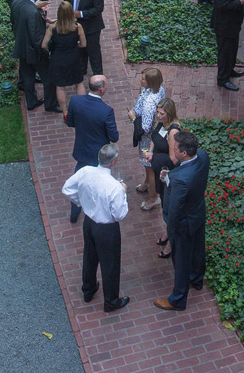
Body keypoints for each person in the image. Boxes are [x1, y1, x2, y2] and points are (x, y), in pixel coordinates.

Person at [62, 143, 129, 313]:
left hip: (89, 222)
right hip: (107, 229)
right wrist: (124, 193)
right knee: (110, 264)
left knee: (89, 257)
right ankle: (111, 300)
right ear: (113, 162)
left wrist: (81, 202)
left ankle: (88, 289)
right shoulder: (115, 187)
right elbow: (120, 215)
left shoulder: (85, 172)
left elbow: (67, 189)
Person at [154, 130, 210, 311]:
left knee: (181, 259)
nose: (174, 150)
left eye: (176, 148)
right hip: (198, 212)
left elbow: (175, 208)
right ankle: (197, 279)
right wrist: (169, 175)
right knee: (198, 249)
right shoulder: (202, 156)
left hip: (183, 222)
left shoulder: (181, 180)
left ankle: (178, 298)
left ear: (184, 153)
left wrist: (171, 230)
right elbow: (183, 172)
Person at [65, 75, 120, 223]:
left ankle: (74, 212)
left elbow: (70, 122)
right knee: (99, 184)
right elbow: (114, 137)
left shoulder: (76, 101)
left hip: (82, 150)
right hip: (98, 156)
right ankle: (96, 211)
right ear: (101, 89)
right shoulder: (106, 111)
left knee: (77, 181)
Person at [11, 0, 58, 112]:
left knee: (27, 75)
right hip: (34, 51)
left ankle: (31, 102)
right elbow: (36, 37)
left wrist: (36, 7)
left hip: (21, 46)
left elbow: (14, 21)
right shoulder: (33, 13)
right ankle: (51, 104)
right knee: (48, 78)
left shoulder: (16, 3)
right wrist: (45, 51)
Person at [142, 97, 181, 255]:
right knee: (164, 205)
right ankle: (167, 232)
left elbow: (173, 159)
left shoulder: (173, 131)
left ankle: (171, 243)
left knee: (169, 208)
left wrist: (154, 158)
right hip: (159, 173)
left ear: (169, 114)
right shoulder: (161, 124)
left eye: (161, 113)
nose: (158, 116)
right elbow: (154, 137)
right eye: (157, 112)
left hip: (167, 176)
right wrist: (151, 151)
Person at [127, 68, 166, 210]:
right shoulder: (158, 89)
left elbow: (144, 128)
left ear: (150, 82)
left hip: (147, 140)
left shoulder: (150, 103)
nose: (140, 80)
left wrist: (133, 119)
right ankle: (146, 183)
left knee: (149, 167)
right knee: (147, 167)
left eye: (143, 79)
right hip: (153, 134)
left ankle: (154, 197)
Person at [42, 0, 86, 118]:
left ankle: (65, 113)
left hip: (58, 59)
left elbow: (43, 45)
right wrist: (76, 44)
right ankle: (82, 110)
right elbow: (83, 44)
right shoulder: (78, 27)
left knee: (60, 87)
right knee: (79, 83)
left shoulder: (53, 28)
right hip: (74, 58)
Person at [211, 0, 244, 90]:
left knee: (231, 50)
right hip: (224, 26)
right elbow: (222, 5)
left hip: (232, 24)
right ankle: (222, 78)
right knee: (224, 52)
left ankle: (230, 70)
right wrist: (239, 2)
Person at [64, 0, 105, 76]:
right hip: (75, 24)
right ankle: (82, 69)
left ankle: (98, 74)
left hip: (91, 26)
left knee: (93, 51)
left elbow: (98, 9)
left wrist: (80, 14)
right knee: (80, 48)